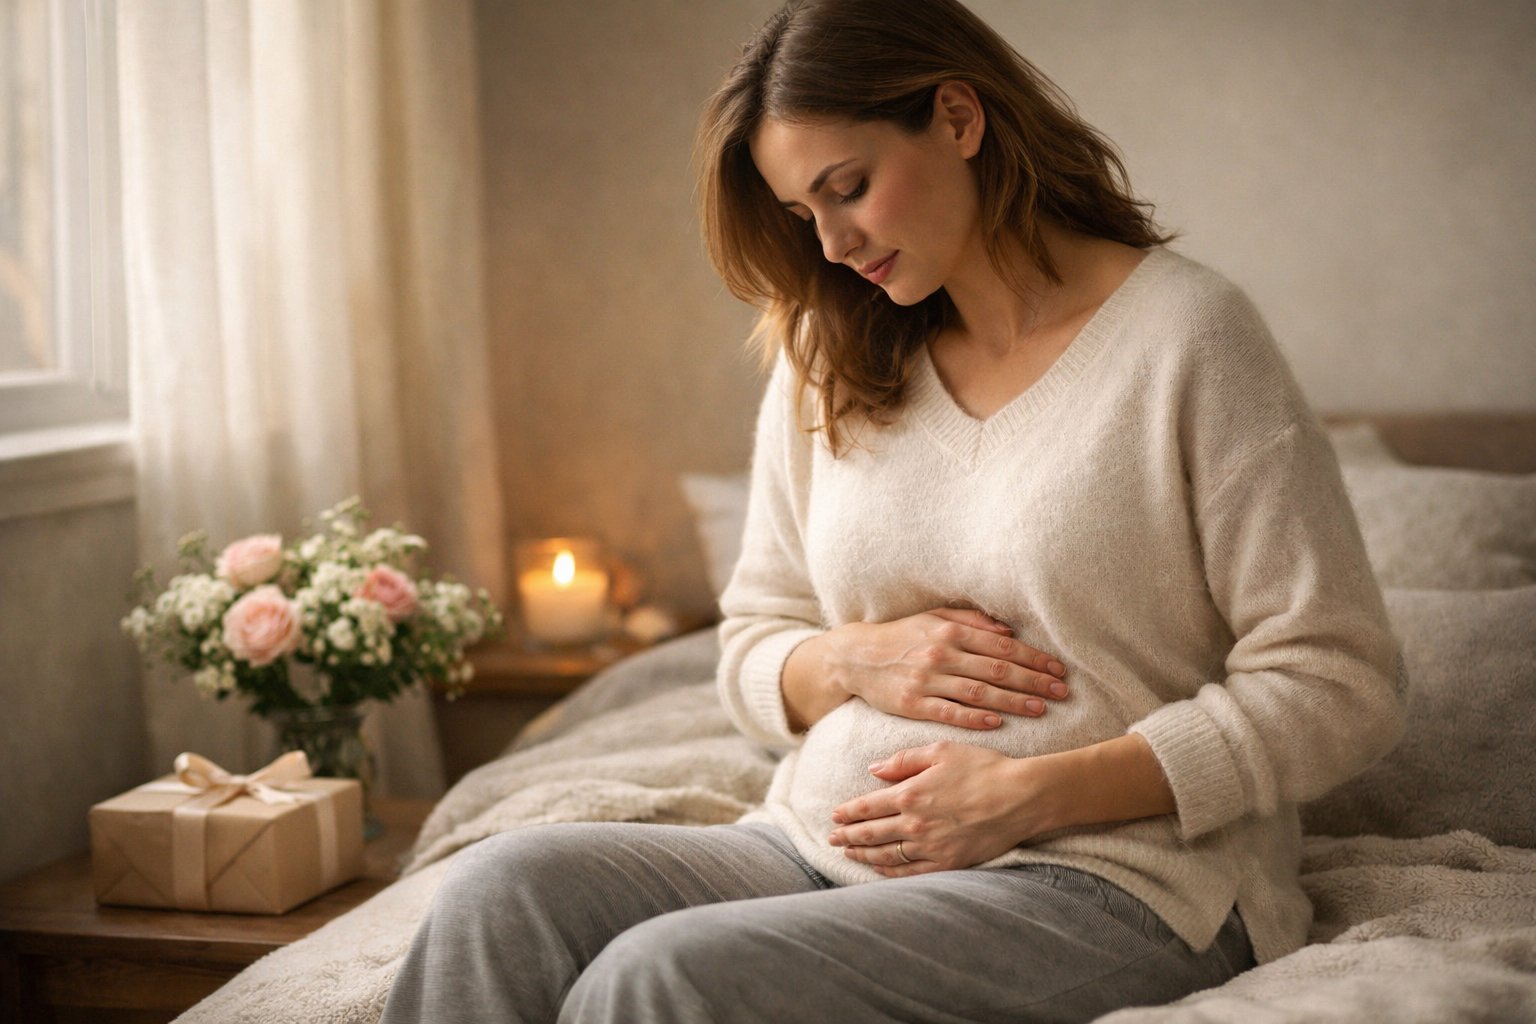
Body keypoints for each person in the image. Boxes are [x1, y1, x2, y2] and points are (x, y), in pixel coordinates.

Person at [380, 1, 1405, 1021]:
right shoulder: (828, 352)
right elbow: (751, 642)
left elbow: (1338, 680)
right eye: (803, 214)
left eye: (848, 187)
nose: (832, 244)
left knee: (663, 973)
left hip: (1108, 876)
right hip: (811, 843)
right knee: (496, 893)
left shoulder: (1188, 340)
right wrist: (848, 659)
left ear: (959, 117)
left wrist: (1032, 793)